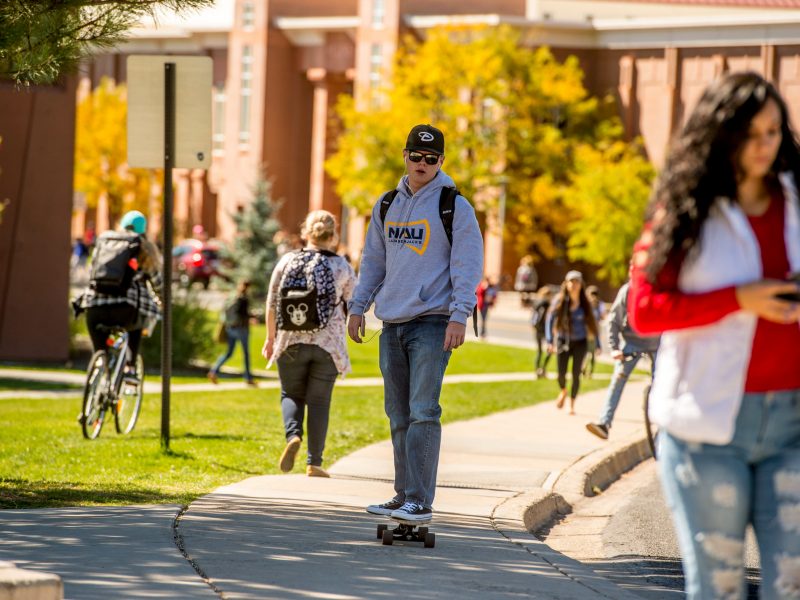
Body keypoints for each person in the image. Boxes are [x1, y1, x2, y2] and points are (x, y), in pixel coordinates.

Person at [629, 72, 800, 600]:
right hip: (708, 431)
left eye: (773, 132)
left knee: (788, 586)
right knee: (719, 588)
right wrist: (739, 299)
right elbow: (644, 311)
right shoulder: (685, 212)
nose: (763, 146)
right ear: (719, 135)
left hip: (792, 425)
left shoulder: (796, 199)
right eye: (750, 134)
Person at [348, 124, 483, 523]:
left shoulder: (454, 206)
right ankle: (403, 494)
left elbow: (467, 264)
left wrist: (460, 315)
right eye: (415, 156)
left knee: (424, 410)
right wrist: (358, 306)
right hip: (392, 324)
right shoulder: (387, 204)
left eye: (430, 158)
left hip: (433, 322)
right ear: (405, 156)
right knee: (398, 413)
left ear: (441, 161)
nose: (421, 164)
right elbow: (373, 260)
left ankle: (420, 502)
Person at [263, 210, 356, 478]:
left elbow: (271, 302)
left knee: (290, 394)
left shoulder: (287, 261)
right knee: (319, 402)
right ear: (333, 235)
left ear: (306, 233)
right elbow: (355, 301)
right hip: (328, 344)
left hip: (290, 339)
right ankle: (314, 463)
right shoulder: (341, 266)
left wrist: (271, 338)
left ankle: (293, 436)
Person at [74, 210, 162, 376]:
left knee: (101, 353)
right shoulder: (143, 247)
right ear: (143, 229)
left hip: (94, 307)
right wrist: (162, 300)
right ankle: (130, 366)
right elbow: (157, 282)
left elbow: (92, 273)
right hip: (125, 310)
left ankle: (101, 373)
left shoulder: (105, 242)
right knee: (136, 327)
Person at [585, 281, 659, 440]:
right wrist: (614, 348)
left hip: (658, 343)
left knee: (663, 382)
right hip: (632, 342)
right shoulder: (629, 290)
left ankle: (664, 427)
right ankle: (604, 423)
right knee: (618, 378)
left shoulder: (663, 288)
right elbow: (614, 320)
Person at [545, 270, 599, 415]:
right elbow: (550, 320)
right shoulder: (560, 300)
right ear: (566, 284)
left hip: (580, 342)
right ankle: (563, 390)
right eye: (571, 282)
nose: (574, 285)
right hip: (563, 341)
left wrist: (597, 344)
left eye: (577, 282)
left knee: (576, 374)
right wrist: (550, 341)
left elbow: (593, 325)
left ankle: (572, 404)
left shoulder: (585, 303)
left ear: (581, 285)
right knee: (560, 374)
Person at [208, 280, 257, 386]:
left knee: (229, 353)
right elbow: (243, 313)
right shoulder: (243, 299)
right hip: (241, 329)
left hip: (230, 328)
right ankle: (248, 378)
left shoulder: (232, 297)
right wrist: (252, 317)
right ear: (248, 287)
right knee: (246, 354)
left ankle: (213, 371)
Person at [581, 285, 605, 379]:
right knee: (589, 353)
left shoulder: (593, 304)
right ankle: (586, 369)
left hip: (591, 332)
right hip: (590, 332)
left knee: (590, 353)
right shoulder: (596, 305)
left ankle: (587, 370)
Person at [531, 285, 555, 378]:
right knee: (549, 350)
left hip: (537, 329)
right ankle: (543, 368)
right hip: (545, 330)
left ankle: (537, 370)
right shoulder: (547, 304)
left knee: (539, 351)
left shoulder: (536, 303)